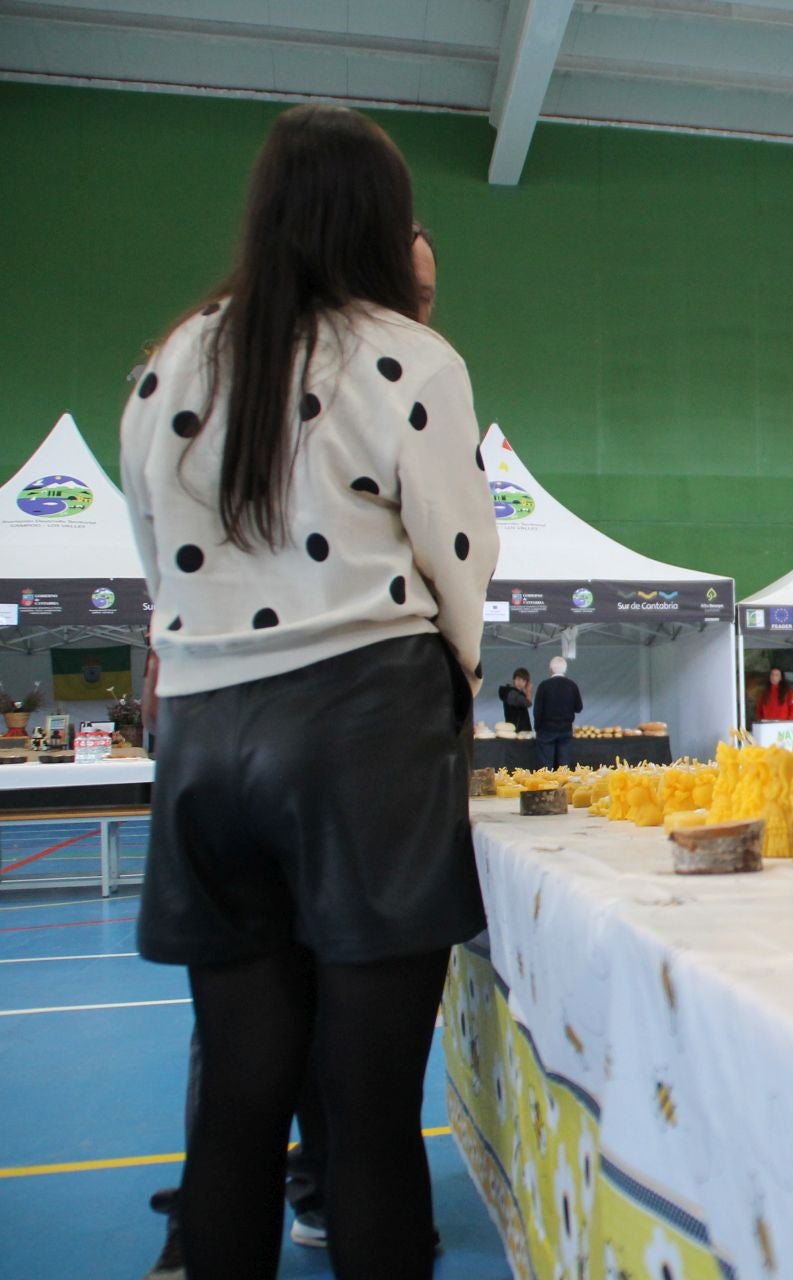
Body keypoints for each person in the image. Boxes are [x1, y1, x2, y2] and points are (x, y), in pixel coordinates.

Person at [122, 104, 497, 1280]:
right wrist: (454, 681)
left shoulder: (171, 358)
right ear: (383, 223)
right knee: (369, 1107)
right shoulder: (406, 355)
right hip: (360, 738)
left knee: (236, 1096)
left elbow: (155, 559)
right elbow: (459, 556)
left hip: (204, 736)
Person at [533, 655, 583, 767]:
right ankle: (563, 783)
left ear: (550, 669)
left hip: (546, 730)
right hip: (565, 729)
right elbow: (579, 708)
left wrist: (537, 728)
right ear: (565, 669)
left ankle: (547, 784)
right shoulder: (572, 685)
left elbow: (537, 711)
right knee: (564, 766)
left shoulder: (544, 686)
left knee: (546, 767)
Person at [498, 667, 532, 733]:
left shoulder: (512, 692)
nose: (520, 682)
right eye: (518, 679)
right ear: (514, 679)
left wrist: (524, 693)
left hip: (514, 729)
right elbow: (528, 703)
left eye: (523, 680)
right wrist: (529, 691)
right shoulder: (512, 693)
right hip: (517, 731)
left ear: (526, 683)